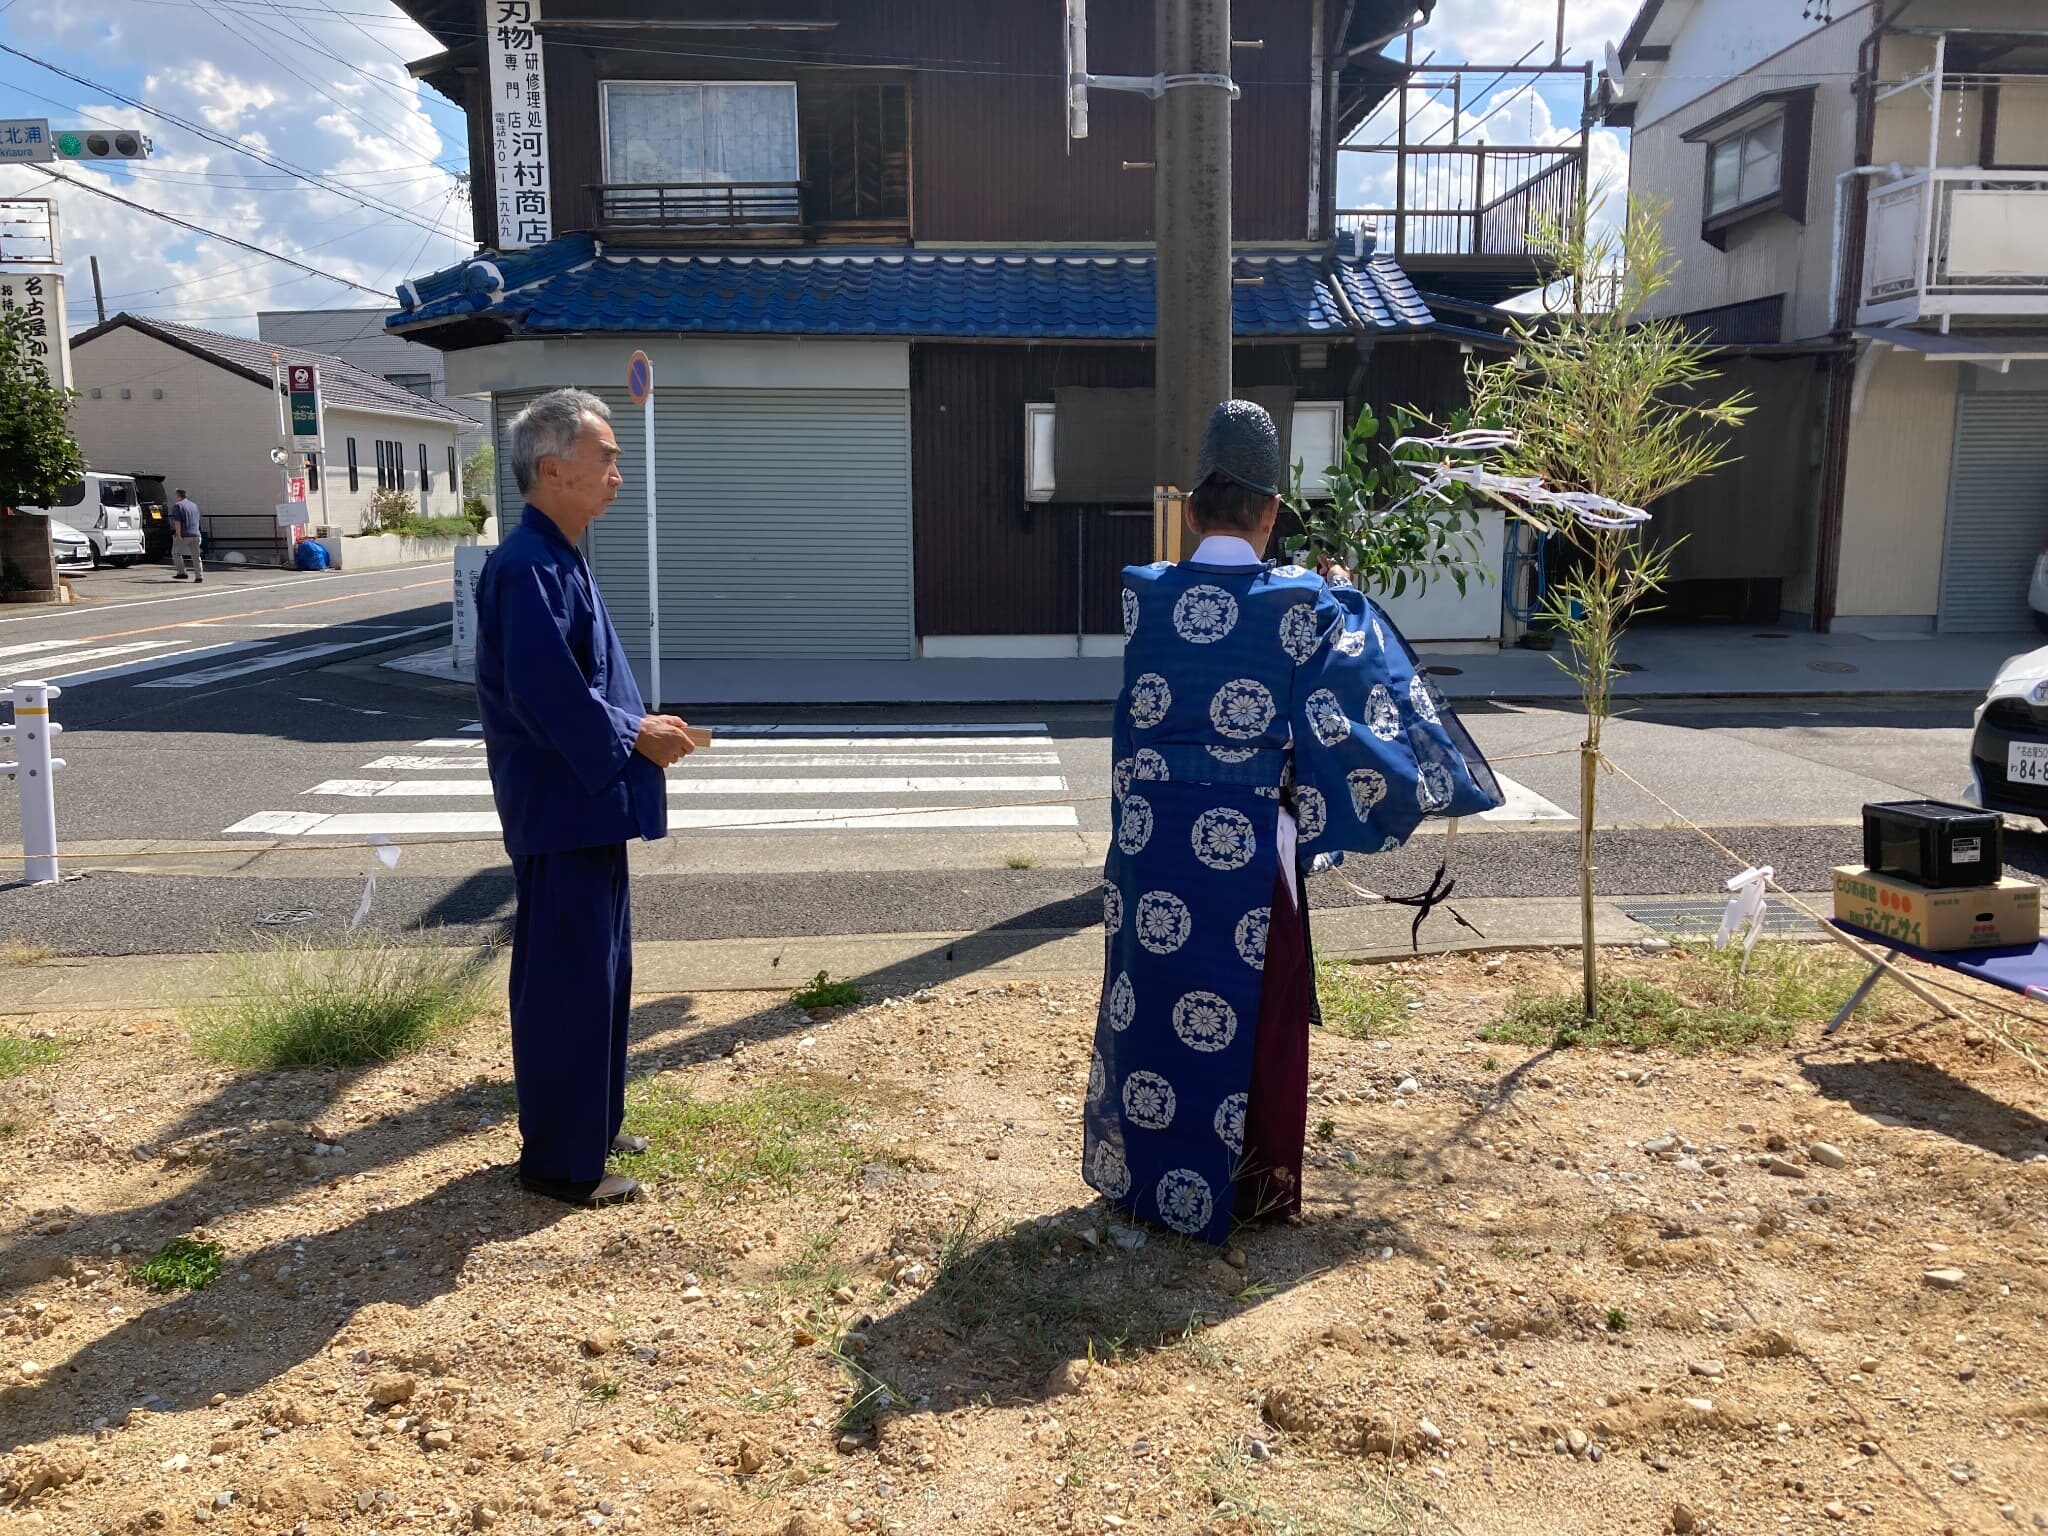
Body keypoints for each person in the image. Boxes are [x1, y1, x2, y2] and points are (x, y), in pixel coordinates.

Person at [1082, 399, 1503, 1244]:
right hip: (1249, 843)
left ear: (1191, 511)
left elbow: (1132, 728)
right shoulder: (1307, 603)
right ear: (1272, 512)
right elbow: (1356, 716)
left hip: (1151, 840)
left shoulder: (1145, 595)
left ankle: (1148, 1184)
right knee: (1251, 1015)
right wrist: (1348, 601)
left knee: (1150, 1002)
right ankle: (1248, 1194)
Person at [474, 389, 699, 1207]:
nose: (616, 473)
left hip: (583, 804)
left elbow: (580, 687)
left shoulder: (557, 555)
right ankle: (561, 1163)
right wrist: (635, 734)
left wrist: (637, 728)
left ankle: (591, 1128)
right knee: (567, 985)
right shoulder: (526, 566)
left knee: (600, 975)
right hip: (561, 807)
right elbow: (545, 695)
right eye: (605, 459)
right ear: (552, 468)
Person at [169, 489, 203, 582]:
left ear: (178, 496)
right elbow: (197, 519)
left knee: (176, 552)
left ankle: (182, 572)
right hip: (196, 534)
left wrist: (178, 533)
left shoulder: (178, 506)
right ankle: (199, 576)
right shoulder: (194, 505)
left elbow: (177, 521)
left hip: (184, 534)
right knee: (196, 556)